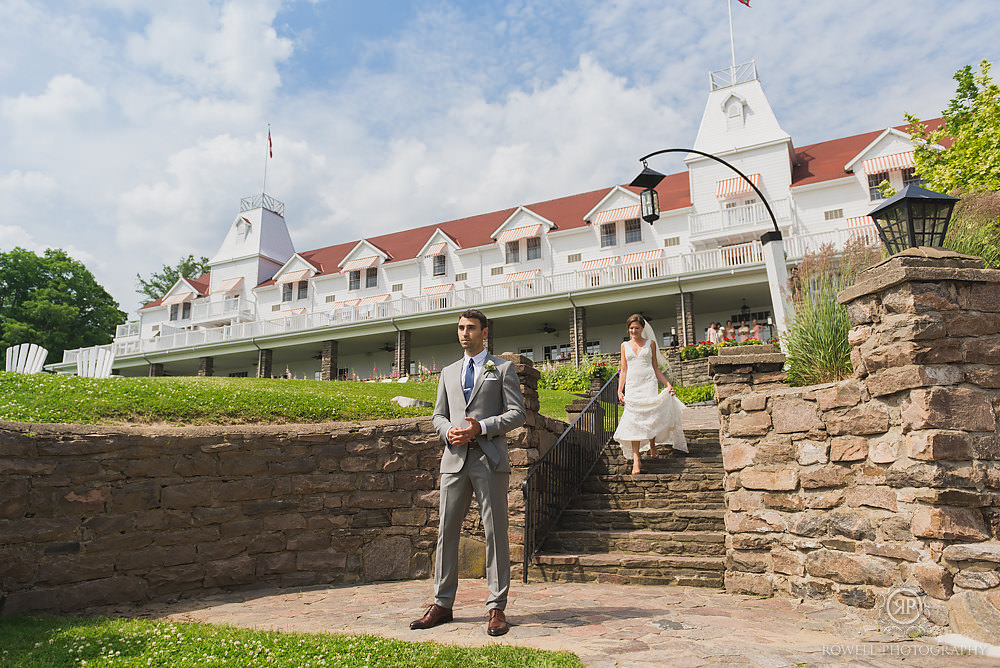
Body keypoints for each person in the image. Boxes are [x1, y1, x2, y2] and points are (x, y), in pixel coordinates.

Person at [410, 309, 526, 637]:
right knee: (446, 531)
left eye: (471, 328)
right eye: (460, 328)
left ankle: (496, 607)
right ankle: (442, 604)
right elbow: (437, 415)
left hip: (489, 460)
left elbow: (518, 413)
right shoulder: (447, 372)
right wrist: (448, 432)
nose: (464, 333)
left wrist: (483, 427)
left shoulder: (502, 368)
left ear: (484, 332)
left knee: (495, 533)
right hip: (454, 460)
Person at [613, 314, 688, 475]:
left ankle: (652, 444)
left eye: (637, 328)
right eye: (631, 328)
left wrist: (667, 384)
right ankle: (636, 459)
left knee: (651, 415)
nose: (634, 331)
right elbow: (624, 370)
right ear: (628, 329)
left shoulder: (650, 344)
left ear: (642, 329)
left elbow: (655, 367)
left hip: (649, 383)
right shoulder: (624, 345)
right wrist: (620, 389)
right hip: (633, 386)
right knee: (633, 420)